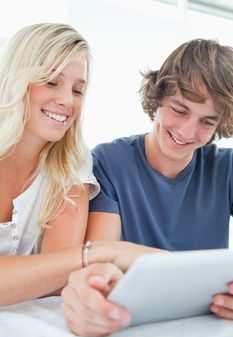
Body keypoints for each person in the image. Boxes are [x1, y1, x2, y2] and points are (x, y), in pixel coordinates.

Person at [61, 38, 233, 337]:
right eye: (180, 110)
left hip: (207, 326)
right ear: (159, 97)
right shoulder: (109, 162)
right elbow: (101, 257)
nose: (187, 131)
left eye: (207, 121)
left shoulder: (225, 168)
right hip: (132, 324)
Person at [0, 23, 155, 306]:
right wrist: (101, 252)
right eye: (51, 82)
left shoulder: (72, 162)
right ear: (17, 80)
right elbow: (59, 267)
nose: (66, 101)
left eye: (78, 90)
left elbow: (58, 280)